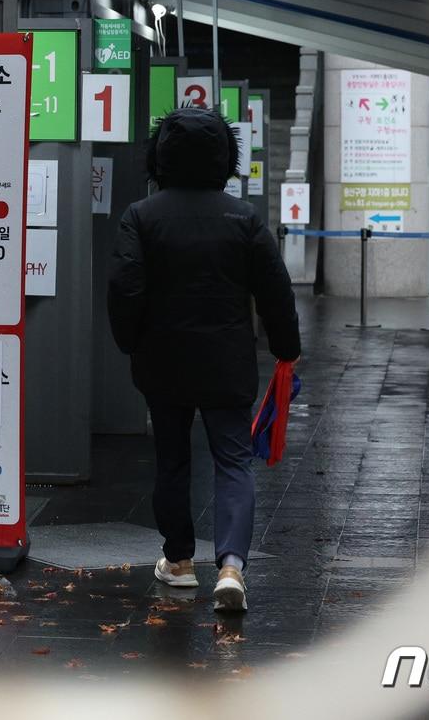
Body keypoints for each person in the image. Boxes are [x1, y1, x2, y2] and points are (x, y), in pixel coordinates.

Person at [107, 107, 300, 612]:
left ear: (160, 156)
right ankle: (232, 566)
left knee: (172, 460)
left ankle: (179, 562)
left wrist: (129, 341)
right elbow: (275, 290)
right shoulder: (243, 217)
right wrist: (286, 349)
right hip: (227, 359)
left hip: (162, 358)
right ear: (225, 157)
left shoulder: (141, 216)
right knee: (233, 461)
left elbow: (125, 287)